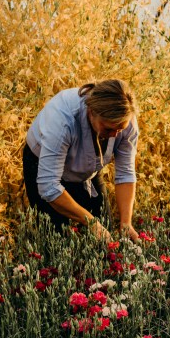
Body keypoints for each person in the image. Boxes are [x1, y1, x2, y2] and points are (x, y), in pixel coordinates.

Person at [23, 79, 140, 242]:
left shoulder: (126, 120)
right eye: (108, 129)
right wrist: (91, 222)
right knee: (57, 241)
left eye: (119, 129)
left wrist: (126, 223)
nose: (114, 135)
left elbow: (125, 175)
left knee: (105, 239)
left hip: (87, 171)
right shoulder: (62, 121)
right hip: (42, 168)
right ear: (91, 112)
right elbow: (49, 186)